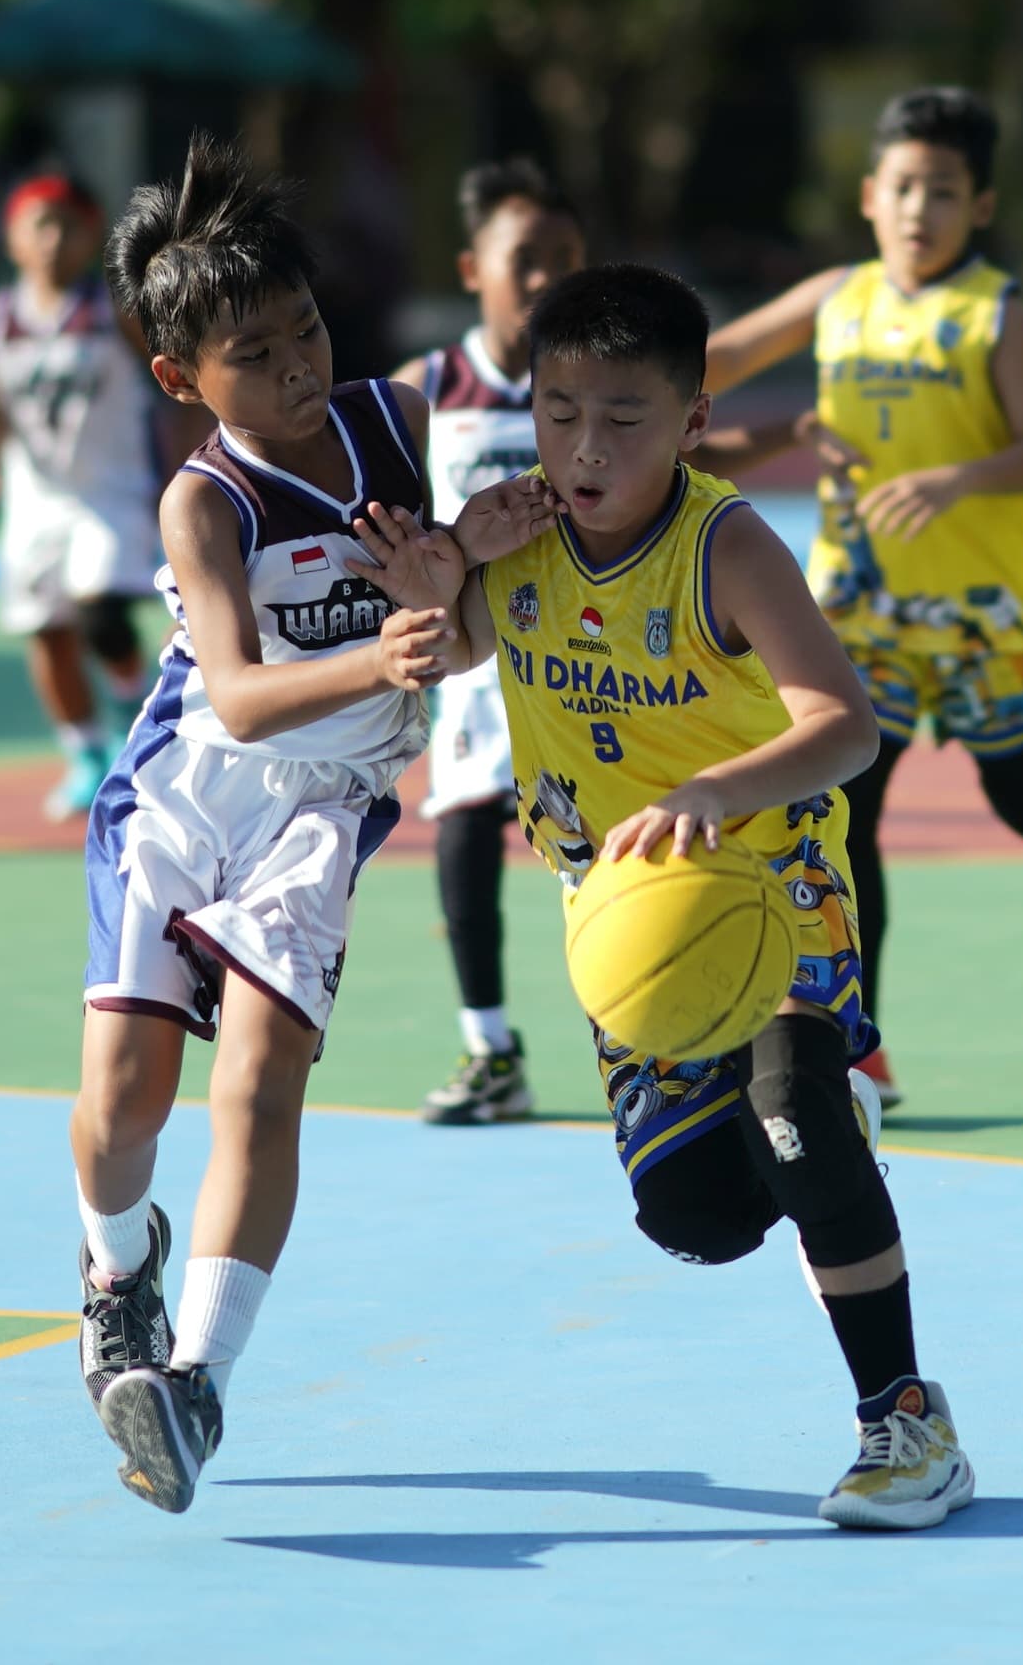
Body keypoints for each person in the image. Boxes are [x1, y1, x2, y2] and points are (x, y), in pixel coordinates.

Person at [374, 262, 976, 1530]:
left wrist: (713, 788)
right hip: (625, 910)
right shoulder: (518, 531)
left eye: (624, 418)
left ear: (693, 420)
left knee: (793, 1105)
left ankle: (907, 1419)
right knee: (693, 1214)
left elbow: (846, 725)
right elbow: (458, 640)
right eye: (559, 412)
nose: (586, 447)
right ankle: (820, 1140)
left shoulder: (726, 545)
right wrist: (437, 579)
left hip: (766, 875)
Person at [70, 134, 553, 1515]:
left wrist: (463, 563)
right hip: (186, 795)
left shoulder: (393, 419)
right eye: (255, 353)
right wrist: (388, 646)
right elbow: (236, 690)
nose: (295, 365)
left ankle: (195, 1384)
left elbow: (452, 635)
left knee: (260, 1083)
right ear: (181, 378)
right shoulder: (202, 501)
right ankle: (115, 1269)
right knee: (123, 1105)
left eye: (306, 330)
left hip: (324, 810)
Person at [701, 86, 1023, 1109]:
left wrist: (955, 479)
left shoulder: (994, 315)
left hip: (979, 610)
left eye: (942, 191)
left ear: (981, 207)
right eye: (902, 187)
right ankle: (860, 1044)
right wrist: (632, 380)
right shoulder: (836, 297)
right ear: (868, 196)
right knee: (848, 808)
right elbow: (713, 361)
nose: (918, 208)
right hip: (859, 605)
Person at [392, 158, 588, 1125]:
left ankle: (659, 1038)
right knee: (465, 827)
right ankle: (490, 1049)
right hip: (478, 651)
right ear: (474, 268)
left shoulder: (593, 382)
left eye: (565, 256)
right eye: (525, 258)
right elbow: (383, 523)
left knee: (606, 855)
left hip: (589, 654)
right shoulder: (425, 390)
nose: (546, 277)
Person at [0, 173, 164, 818]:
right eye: (39, 225)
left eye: (68, 226)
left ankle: (134, 717)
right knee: (46, 631)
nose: (53, 239)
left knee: (101, 612)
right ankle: (85, 753)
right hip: (35, 498)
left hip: (111, 490)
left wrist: (191, 453)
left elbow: (178, 380)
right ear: (12, 238)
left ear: (91, 236)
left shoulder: (116, 310)